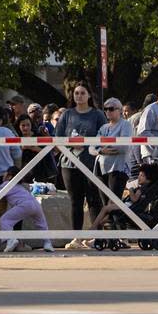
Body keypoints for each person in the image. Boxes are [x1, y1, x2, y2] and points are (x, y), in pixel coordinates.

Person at [54, 83, 107, 248]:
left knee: (94, 200)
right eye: (76, 93)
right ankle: (76, 238)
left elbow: (104, 136)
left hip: (92, 163)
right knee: (75, 201)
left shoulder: (98, 115)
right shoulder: (67, 114)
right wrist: (71, 146)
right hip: (69, 163)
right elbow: (57, 140)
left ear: (89, 96)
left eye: (82, 93)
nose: (79, 96)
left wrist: (89, 146)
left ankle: (95, 237)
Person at [0, 167, 54, 253]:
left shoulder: (7, 184)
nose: (3, 175)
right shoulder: (20, 186)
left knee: (5, 220)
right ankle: (48, 243)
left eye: (5, 172)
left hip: (24, 205)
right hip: (35, 204)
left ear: (9, 177)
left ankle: (10, 240)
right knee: (42, 224)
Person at [90, 97, 134, 200]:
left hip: (118, 168)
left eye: (111, 108)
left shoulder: (125, 125)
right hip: (100, 169)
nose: (107, 111)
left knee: (114, 203)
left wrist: (102, 147)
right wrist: (100, 151)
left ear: (120, 110)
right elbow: (91, 147)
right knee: (105, 203)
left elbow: (124, 146)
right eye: (105, 109)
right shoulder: (103, 127)